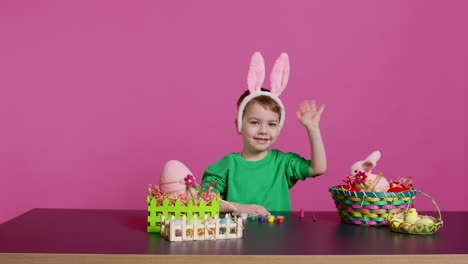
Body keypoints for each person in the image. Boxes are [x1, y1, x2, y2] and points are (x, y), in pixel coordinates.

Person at [201, 52, 327, 215]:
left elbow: (318, 168)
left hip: (278, 239)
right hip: (237, 239)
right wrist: (240, 208)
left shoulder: (284, 163)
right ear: (239, 125)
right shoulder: (226, 165)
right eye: (254, 122)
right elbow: (204, 200)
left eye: (272, 124)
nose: (263, 130)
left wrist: (313, 129)